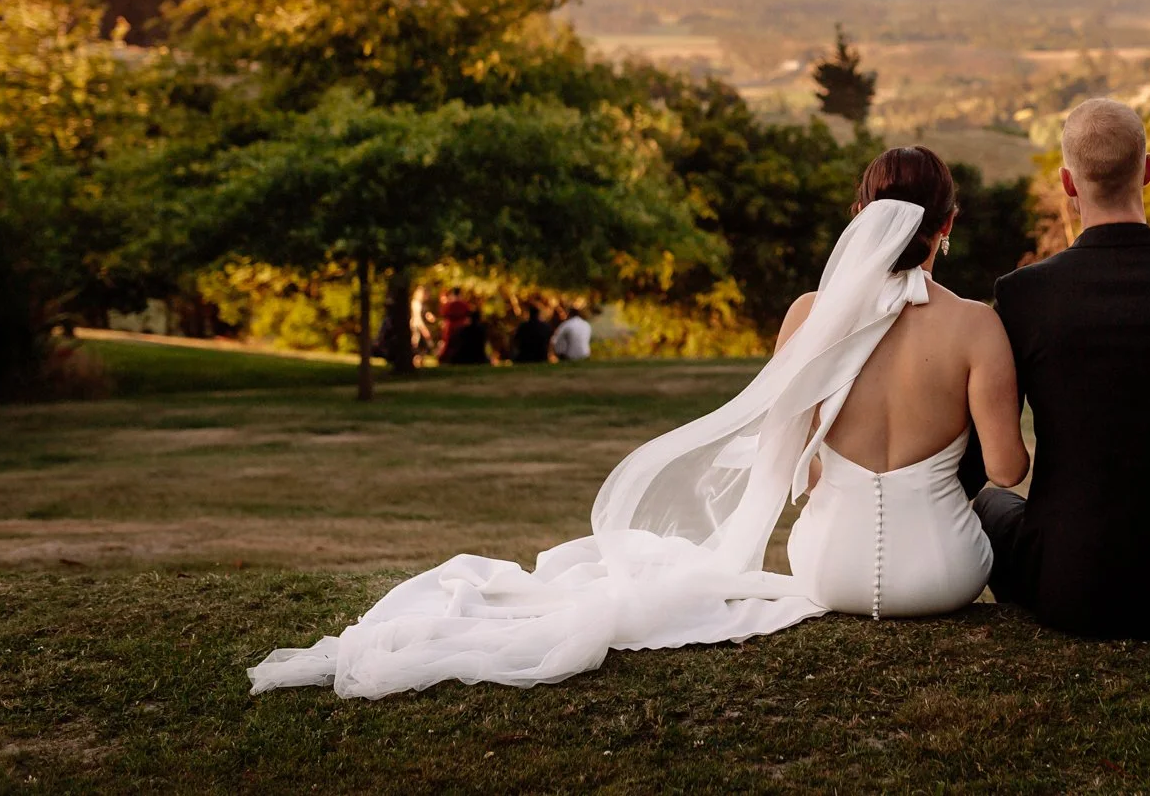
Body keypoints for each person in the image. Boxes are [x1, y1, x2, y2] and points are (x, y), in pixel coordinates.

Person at [248, 146, 1029, 698]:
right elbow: (1005, 470)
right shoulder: (976, 327)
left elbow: (797, 462)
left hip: (829, 572)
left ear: (861, 218)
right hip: (947, 581)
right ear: (948, 224)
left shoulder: (808, 316)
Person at [959, 98, 1150, 639]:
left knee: (991, 505)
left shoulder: (1023, 294)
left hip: (1069, 583)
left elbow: (984, 457)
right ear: (1147, 170)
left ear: (1068, 183)